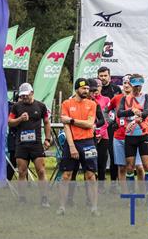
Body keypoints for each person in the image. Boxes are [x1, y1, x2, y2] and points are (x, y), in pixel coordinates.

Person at [58, 79, 99, 216]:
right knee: (66, 175)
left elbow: (89, 124)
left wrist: (72, 120)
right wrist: (71, 146)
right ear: (76, 89)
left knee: (90, 175)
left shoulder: (92, 104)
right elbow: (66, 127)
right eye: (83, 88)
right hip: (72, 142)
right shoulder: (66, 104)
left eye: (87, 88)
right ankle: (62, 207)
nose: (86, 91)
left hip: (88, 142)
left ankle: (94, 207)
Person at [8, 83, 52, 207]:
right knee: (21, 172)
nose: (24, 97)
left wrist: (47, 139)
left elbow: (47, 122)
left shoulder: (41, 106)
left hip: (36, 144)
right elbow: (9, 122)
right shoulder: (16, 107)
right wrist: (20, 119)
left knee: (41, 171)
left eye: (26, 95)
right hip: (21, 144)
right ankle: (22, 198)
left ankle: (44, 198)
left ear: (32, 93)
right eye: (22, 96)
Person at [118, 74, 148, 188]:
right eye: (135, 86)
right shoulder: (125, 98)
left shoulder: (146, 96)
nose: (137, 88)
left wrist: (137, 118)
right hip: (130, 136)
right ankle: (131, 193)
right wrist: (132, 111)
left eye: (139, 86)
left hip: (143, 134)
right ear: (130, 85)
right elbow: (119, 113)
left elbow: (147, 112)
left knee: (147, 165)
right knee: (130, 167)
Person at [109, 77, 145, 183]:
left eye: (129, 83)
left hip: (136, 136)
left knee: (139, 167)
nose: (126, 85)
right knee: (122, 167)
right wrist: (111, 122)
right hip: (119, 137)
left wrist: (146, 124)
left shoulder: (141, 98)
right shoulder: (117, 98)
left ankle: (142, 192)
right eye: (124, 83)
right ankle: (125, 192)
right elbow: (106, 110)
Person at [98, 66, 121, 181]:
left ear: (109, 77)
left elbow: (120, 107)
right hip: (99, 126)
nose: (103, 78)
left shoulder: (116, 89)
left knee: (113, 154)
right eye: (101, 76)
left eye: (105, 75)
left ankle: (113, 181)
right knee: (100, 155)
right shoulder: (96, 89)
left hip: (112, 126)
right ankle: (99, 179)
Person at [88, 79, 111, 183]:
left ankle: (101, 186)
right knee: (90, 162)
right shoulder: (87, 100)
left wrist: (101, 133)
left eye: (98, 87)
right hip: (90, 135)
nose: (95, 91)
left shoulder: (106, 99)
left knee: (102, 161)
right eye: (93, 89)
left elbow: (107, 118)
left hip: (103, 134)